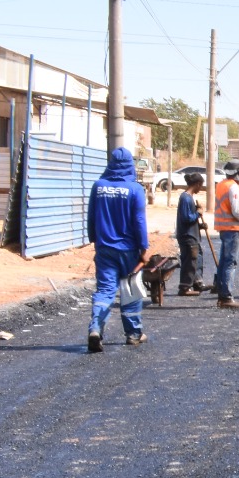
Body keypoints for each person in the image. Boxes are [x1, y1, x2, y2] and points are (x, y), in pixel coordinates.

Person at [85, 146, 151, 351]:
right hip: (129, 249)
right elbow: (139, 220)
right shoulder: (135, 189)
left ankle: (96, 328)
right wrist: (144, 247)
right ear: (130, 165)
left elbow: (91, 216)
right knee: (129, 290)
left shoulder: (99, 186)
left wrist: (95, 240)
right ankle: (133, 334)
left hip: (105, 248)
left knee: (105, 290)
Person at [212, 162, 239, 308]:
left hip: (223, 228)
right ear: (237, 173)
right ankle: (226, 297)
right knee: (230, 262)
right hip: (232, 228)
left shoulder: (221, 184)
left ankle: (221, 294)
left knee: (224, 261)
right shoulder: (233, 186)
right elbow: (236, 211)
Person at [176, 172, 208, 296]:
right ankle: (185, 287)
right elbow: (186, 218)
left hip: (192, 234)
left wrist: (199, 226)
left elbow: (190, 221)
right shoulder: (185, 198)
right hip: (187, 236)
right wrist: (198, 213)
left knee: (195, 259)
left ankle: (196, 283)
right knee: (189, 261)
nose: (201, 188)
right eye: (201, 186)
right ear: (197, 184)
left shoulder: (189, 198)